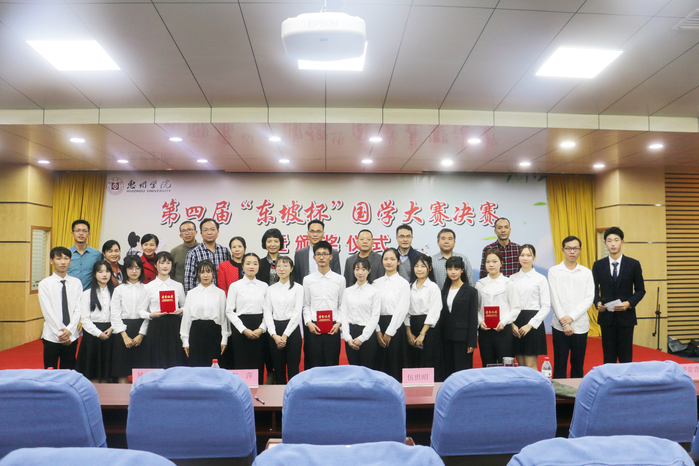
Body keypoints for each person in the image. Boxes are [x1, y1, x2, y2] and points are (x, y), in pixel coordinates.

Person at [592, 227, 646, 364]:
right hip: (606, 317)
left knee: (626, 357)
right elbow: (592, 290)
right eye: (609, 241)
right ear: (605, 243)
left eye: (616, 240)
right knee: (608, 357)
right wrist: (597, 303)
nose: (613, 244)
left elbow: (640, 290)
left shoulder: (633, 264)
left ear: (622, 241)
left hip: (626, 317)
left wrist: (629, 303)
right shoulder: (598, 265)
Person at [548, 236, 594, 379]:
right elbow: (554, 298)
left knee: (578, 364)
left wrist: (571, 317)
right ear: (563, 250)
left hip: (580, 325)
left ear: (580, 250)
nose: (572, 251)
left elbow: (589, 298)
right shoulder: (554, 271)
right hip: (559, 325)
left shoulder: (586, 272)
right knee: (560, 364)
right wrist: (565, 322)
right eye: (568, 248)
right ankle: (559, 392)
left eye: (575, 248)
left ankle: (576, 391)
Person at [138, 251, 186, 368]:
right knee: (157, 360)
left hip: (174, 325)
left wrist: (181, 310)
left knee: (174, 359)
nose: (165, 266)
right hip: (156, 325)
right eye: (162, 263)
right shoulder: (148, 287)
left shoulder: (178, 286)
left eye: (168, 263)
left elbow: (185, 305)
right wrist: (151, 315)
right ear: (155, 265)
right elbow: (140, 310)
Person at [226, 253, 268, 384]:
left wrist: (261, 329)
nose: (252, 266)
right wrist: (244, 329)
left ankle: (259, 394)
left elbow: (268, 311)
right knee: (241, 363)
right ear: (243, 266)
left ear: (259, 266)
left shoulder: (264, 286)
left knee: (258, 364)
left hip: (259, 328)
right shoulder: (235, 286)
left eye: (255, 263)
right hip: (241, 329)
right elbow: (229, 311)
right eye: (248, 263)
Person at [302, 240, 345, 368]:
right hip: (314, 327)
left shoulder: (340, 279)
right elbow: (306, 304)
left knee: (332, 363)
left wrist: (338, 323)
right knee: (314, 364)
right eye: (318, 254)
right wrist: (309, 323)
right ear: (314, 257)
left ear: (331, 257)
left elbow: (342, 304)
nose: (321, 257)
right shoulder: (308, 280)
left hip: (333, 327)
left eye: (325, 254)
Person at [39, 247, 82, 369]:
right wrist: (60, 334)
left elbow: (78, 309)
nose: (63, 262)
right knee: (50, 371)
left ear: (70, 261)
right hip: (52, 336)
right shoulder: (45, 284)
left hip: (72, 335)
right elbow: (47, 311)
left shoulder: (76, 283)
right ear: (51, 261)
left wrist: (69, 330)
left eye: (66, 258)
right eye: (58, 258)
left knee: (68, 371)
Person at [476, 249, 521, 367]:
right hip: (485, 331)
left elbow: (516, 308)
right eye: (488, 262)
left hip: (504, 331)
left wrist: (504, 322)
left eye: (494, 261)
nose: (491, 265)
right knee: (487, 365)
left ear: (501, 263)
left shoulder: (508, 283)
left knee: (505, 366)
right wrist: (480, 321)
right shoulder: (480, 284)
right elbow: (476, 309)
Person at [181, 260, 229, 367]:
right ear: (198, 274)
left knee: (214, 365)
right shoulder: (191, 293)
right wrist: (185, 341)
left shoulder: (220, 293)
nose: (205, 275)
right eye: (202, 272)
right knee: (197, 365)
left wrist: (224, 339)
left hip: (214, 332)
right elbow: (186, 318)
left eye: (208, 271)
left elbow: (224, 318)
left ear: (213, 273)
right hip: (196, 332)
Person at [263, 256, 303, 383]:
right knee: (278, 367)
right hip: (275, 329)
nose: (282, 269)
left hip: (292, 330)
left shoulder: (298, 288)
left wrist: (285, 335)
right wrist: (274, 335)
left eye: (285, 266)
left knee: (293, 367)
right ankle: (279, 394)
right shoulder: (270, 289)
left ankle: (293, 392)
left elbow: (297, 313)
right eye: (279, 266)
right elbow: (267, 313)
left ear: (291, 269)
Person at [510, 244, 550, 370]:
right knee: (521, 366)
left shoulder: (540, 279)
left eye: (529, 255)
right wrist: (511, 324)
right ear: (518, 257)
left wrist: (530, 325)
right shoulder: (512, 278)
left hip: (533, 323)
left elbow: (546, 306)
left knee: (530, 366)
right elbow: (508, 304)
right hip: (516, 322)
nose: (525, 258)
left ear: (534, 257)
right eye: (522, 255)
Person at [404, 254, 444, 381]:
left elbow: (434, 312)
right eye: (416, 266)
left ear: (429, 268)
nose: (419, 269)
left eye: (423, 266)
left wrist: (422, 334)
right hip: (412, 326)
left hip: (428, 329)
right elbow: (405, 311)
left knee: (428, 361)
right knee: (413, 362)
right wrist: (409, 333)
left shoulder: (433, 287)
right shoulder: (409, 287)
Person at [373, 248, 410, 381]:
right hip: (378, 326)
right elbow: (373, 310)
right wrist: (377, 331)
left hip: (396, 327)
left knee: (395, 363)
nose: (389, 262)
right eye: (386, 259)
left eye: (392, 259)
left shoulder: (403, 283)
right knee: (379, 364)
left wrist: (389, 332)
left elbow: (402, 310)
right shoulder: (376, 283)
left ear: (398, 262)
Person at [110, 255, 148, 384]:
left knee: (141, 368)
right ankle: (123, 396)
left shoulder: (147, 289)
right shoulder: (119, 289)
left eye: (137, 268)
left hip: (141, 330)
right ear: (125, 270)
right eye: (130, 268)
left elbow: (149, 314)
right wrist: (124, 336)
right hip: (122, 330)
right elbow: (115, 314)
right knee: (122, 369)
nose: (134, 271)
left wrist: (141, 334)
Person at [76, 260, 114, 383]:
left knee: (107, 374)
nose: (104, 274)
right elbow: (85, 319)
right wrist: (98, 333)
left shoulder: (116, 293)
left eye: (107, 271)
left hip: (111, 333)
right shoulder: (86, 294)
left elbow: (120, 315)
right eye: (100, 271)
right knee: (92, 373)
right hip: (92, 335)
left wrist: (112, 328)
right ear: (94, 274)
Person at [440, 256, 479, 376]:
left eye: (456, 269)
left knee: (462, 373)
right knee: (447, 372)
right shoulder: (443, 291)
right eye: (450, 269)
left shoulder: (471, 291)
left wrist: (471, 342)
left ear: (462, 270)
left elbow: (473, 318)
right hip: (446, 338)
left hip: (463, 339)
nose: (453, 272)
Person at [341, 258, 381, 368]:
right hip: (351, 333)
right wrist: (348, 338)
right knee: (353, 369)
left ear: (369, 271)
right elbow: (344, 315)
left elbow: (374, 317)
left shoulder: (374, 292)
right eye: (357, 269)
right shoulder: (347, 291)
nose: (360, 272)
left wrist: (362, 338)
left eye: (363, 269)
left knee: (367, 368)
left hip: (367, 334)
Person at [184, 218, 231, 293]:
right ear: (201, 233)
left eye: (212, 229)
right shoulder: (193, 253)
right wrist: (190, 296)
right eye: (205, 230)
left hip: (221, 295)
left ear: (218, 232)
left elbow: (229, 276)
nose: (209, 233)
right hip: (201, 295)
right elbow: (189, 278)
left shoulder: (225, 251)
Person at [67, 220, 103, 290]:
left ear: (88, 234)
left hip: (90, 293)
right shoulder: (66, 254)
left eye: (84, 231)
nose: (81, 233)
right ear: (72, 233)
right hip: (70, 292)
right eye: (78, 230)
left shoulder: (97, 254)